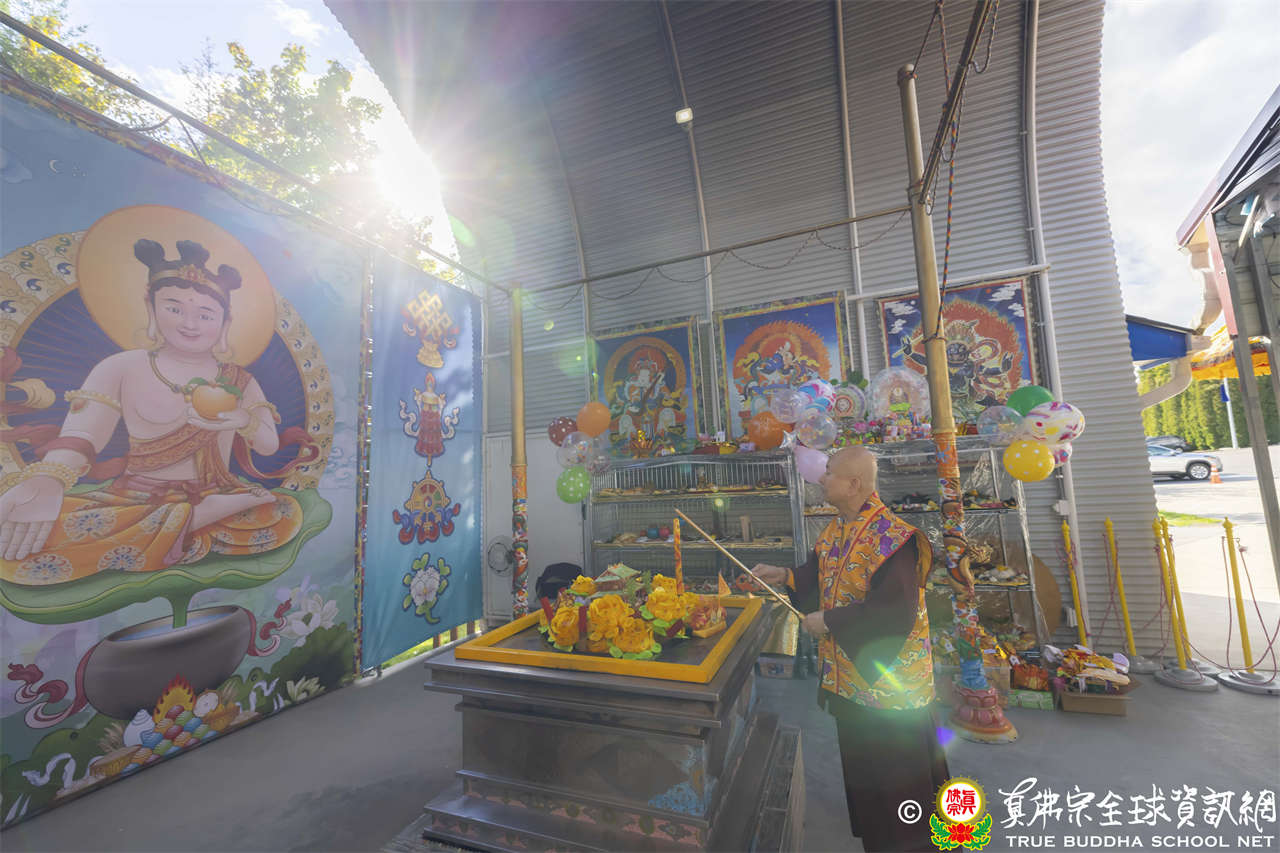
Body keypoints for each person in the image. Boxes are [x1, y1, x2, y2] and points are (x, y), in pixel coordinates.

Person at [0, 239, 304, 583]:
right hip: (136, 501)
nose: (190, 324)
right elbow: (83, 434)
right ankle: (193, 519)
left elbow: (268, 446)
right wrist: (48, 479)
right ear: (151, 307)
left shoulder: (240, 381)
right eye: (174, 309)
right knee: (31, 545)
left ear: (225, 322)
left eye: (205, 315)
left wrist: (245, 420)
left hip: (217, 491)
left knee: (283, 513)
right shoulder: (121, 367)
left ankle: (191, 519)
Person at [751, 446, 949, 853]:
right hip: (850, 682)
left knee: (901, 784)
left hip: (891, 687)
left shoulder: (894, 538)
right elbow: (817, 576)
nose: (821, 479)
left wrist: (830, 621)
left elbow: (894, 612)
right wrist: (784, 575)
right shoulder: (835, 531)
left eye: (830, 473)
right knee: (868, 778)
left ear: (854, 484)